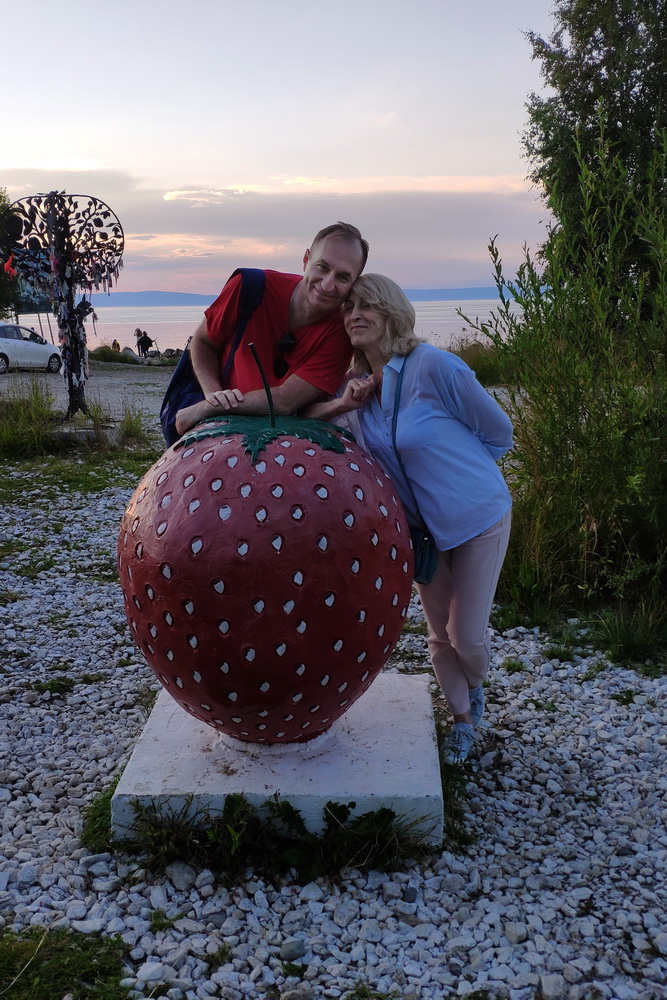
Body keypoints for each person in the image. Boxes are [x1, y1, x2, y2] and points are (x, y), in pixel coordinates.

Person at [303, 274, 513, 765]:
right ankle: (463, 719)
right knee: (438, 635)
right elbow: (309, 422)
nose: (355, 314)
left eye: (367, 305)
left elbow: (499, 433)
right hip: (419, 533)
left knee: (466, 635)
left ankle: (475, 683)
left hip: (477, 517)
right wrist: (344, 403)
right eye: (348, 307)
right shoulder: (352, 388)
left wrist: (457, 477)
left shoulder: (433, 366)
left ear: (392, 311)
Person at [174, 222, 369, 437]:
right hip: (218, 432)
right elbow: (203, 342)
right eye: (322, 267)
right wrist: (214, 396)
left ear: (353, 283)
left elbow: (286, 400)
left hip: (283, 441)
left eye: (343, 277)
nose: (327, 285)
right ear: (306, 259)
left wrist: (211, 408)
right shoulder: (250, 287)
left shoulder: (340, 333)